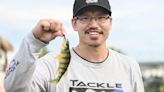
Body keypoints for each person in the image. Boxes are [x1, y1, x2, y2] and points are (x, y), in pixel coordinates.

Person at [4, 0, 145, 92]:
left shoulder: (129, 66)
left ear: (110, 22)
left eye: (101, 17)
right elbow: (13, 88)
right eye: (85, 18)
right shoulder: (50, 65)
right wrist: (33, 42)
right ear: (74, 24)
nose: (94, 24)